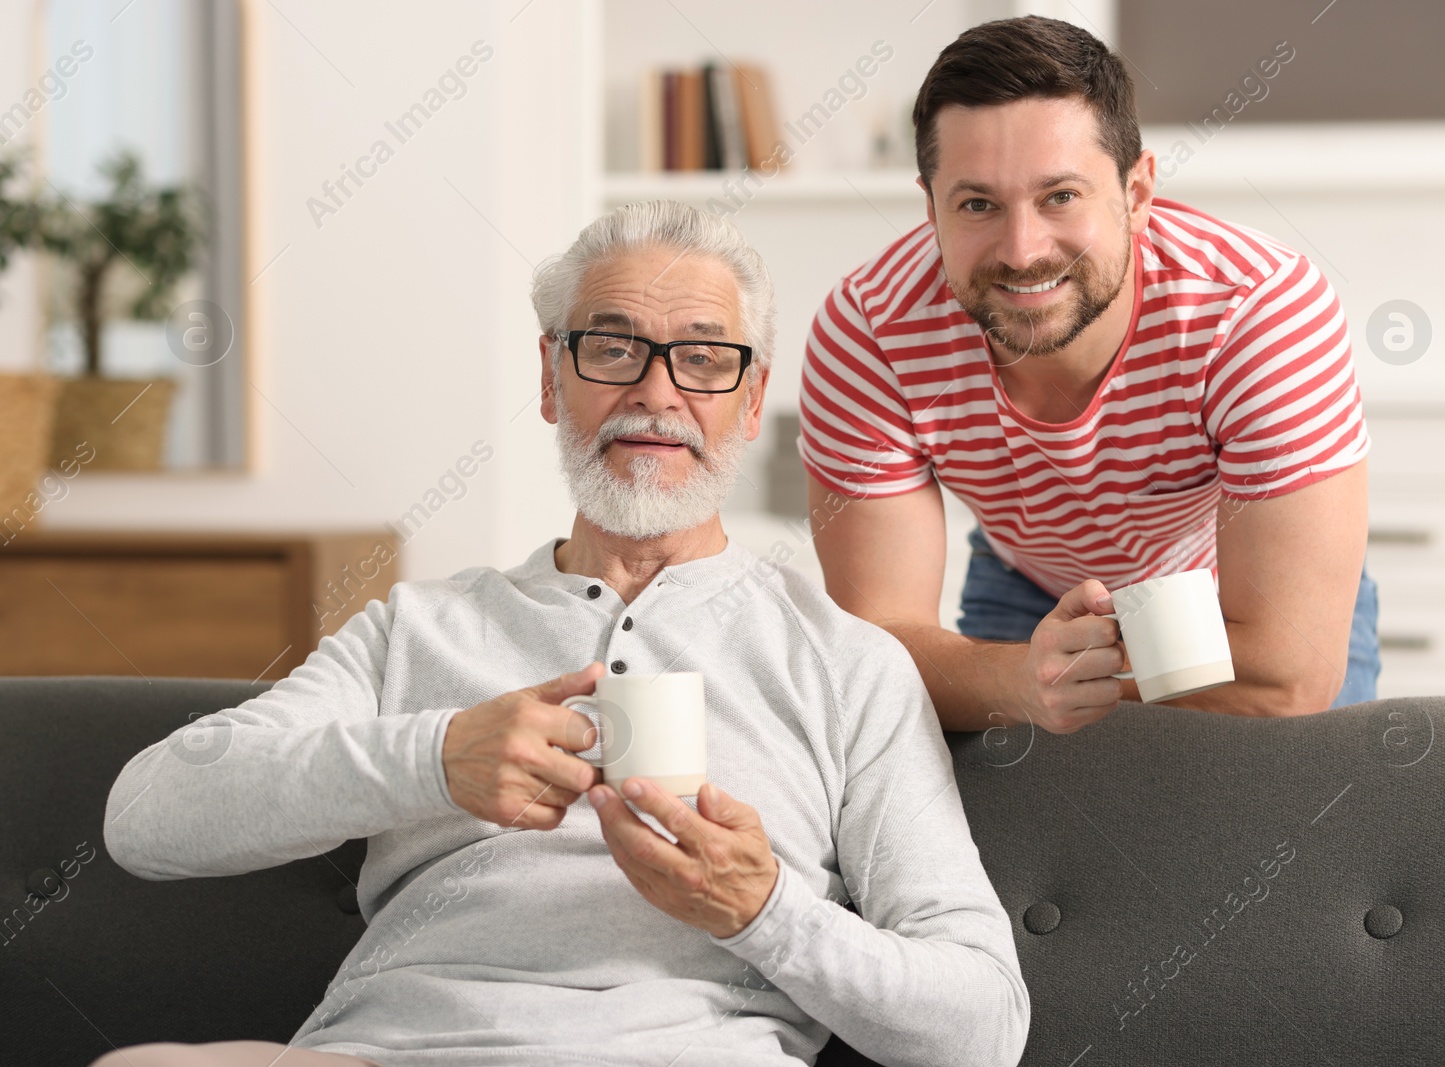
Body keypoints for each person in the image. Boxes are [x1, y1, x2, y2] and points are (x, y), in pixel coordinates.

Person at [97, 201, 1027, 1067]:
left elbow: (982, 1024)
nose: (657, 393)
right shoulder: (419, 626)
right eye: (613, 348)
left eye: (703, 357)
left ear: (751, 402)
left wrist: (765, 911)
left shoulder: (848, 663)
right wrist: (435, 756)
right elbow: (147, 817)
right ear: (551, 377)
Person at [800, 15, 1378, 736]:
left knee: (1264, 826)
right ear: (930, 206)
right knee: (1000, 839)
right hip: (1034, 589)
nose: (1021, 250)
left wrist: (1051, 678)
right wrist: (1018, 676)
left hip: (1236, 602)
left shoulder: (1258, 310)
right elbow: (875, 651)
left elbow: (1287, 672)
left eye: (1060, 197)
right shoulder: (868, 333)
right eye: (977, 204)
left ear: (1137, 192)